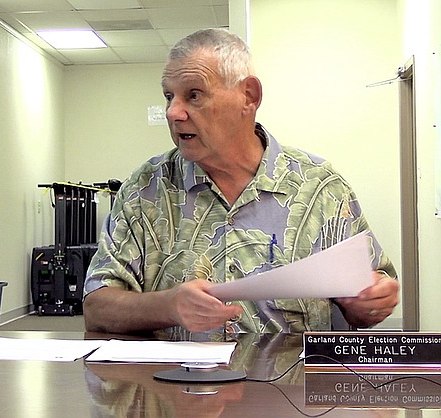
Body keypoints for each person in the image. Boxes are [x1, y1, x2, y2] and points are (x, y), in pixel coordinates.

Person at [82, 29, 399, 337]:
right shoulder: (145, 190)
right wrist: (167, 305)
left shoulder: (320, 189)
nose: (173, 112)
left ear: (249, 96)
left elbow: (368, 299)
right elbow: (97, 307)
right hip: (177, 388)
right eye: (169, 96)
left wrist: (370, 300)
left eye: (194, 95)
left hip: (290, 388)